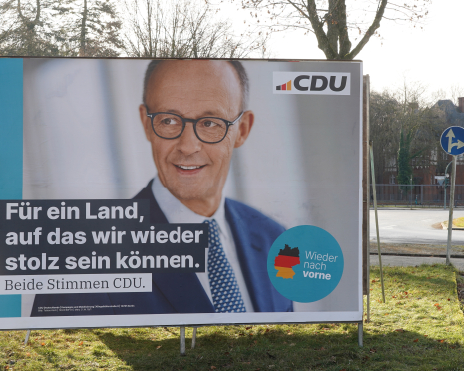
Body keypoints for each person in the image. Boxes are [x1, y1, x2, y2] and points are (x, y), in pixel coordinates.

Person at [31, 60, 293, 316]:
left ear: (242, 130)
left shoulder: (275, 241)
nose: (188, 146)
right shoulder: (84, 262)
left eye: (210, 123)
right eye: (169, 121)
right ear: (147, 124)